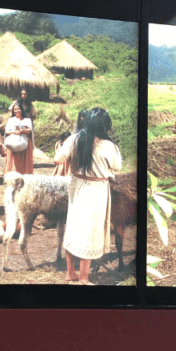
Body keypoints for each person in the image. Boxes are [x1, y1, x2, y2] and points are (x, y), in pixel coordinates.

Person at [54, 107, 122, 285]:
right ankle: (83, 278)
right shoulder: (109, 146)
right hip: (96, 189)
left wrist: (65, 147)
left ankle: (70, 274)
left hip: (76, 186)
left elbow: (57, 160)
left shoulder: (75, 139)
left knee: (74, 228)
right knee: (90, 232)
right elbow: (117, 168)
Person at [4, 104, 34, 174]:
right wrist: (14, 132)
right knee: (13, 159)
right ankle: (12, 175)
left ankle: (25, 175)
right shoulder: (11, 120)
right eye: (15, 109)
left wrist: (22, 131)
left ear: (21, 110)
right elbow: (7, 131)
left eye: (18, 109)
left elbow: (29, 130)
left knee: (24, 159)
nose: (17, 111)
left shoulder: (27, 120)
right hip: (13, 142)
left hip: (25, 142)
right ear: (13, 111)